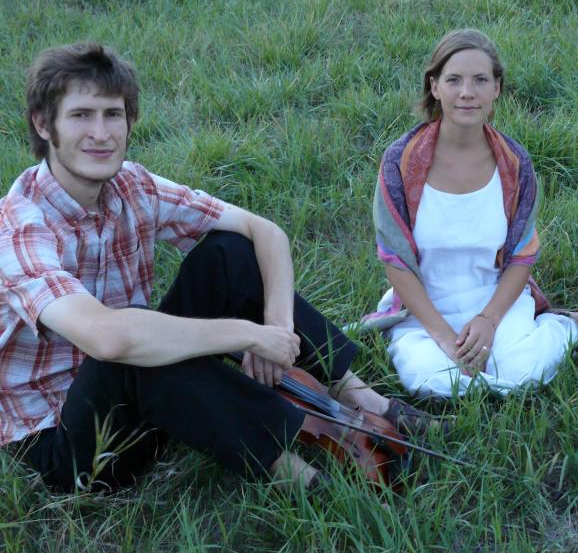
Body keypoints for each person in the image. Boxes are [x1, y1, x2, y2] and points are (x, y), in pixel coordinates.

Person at [0, 42, 445, 495]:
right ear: (44, 124)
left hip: (146, 394)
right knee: (133, 343)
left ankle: (366, 400)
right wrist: (246, 335)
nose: (101, 133)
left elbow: (264, 231)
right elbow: (108, 338)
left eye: (112, 114)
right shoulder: (18, 226)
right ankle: (309, 486)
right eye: (81, 115)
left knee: (228, 253)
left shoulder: (132, 185)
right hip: (69, 444)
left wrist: (276, 330)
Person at [365, 29, 578, 398]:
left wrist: (488, 321)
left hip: (494, 299)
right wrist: (445, 339)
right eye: (454, 80)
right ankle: (484, 373)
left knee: (523, 371)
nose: (467, 92)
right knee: (432, 380)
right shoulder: (399, 162)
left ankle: (564, 327)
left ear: (496, 88)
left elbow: (522, 256)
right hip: (425, 308)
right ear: (435, 87)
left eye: (480, 80)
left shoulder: (515, 163)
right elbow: (394, 261)